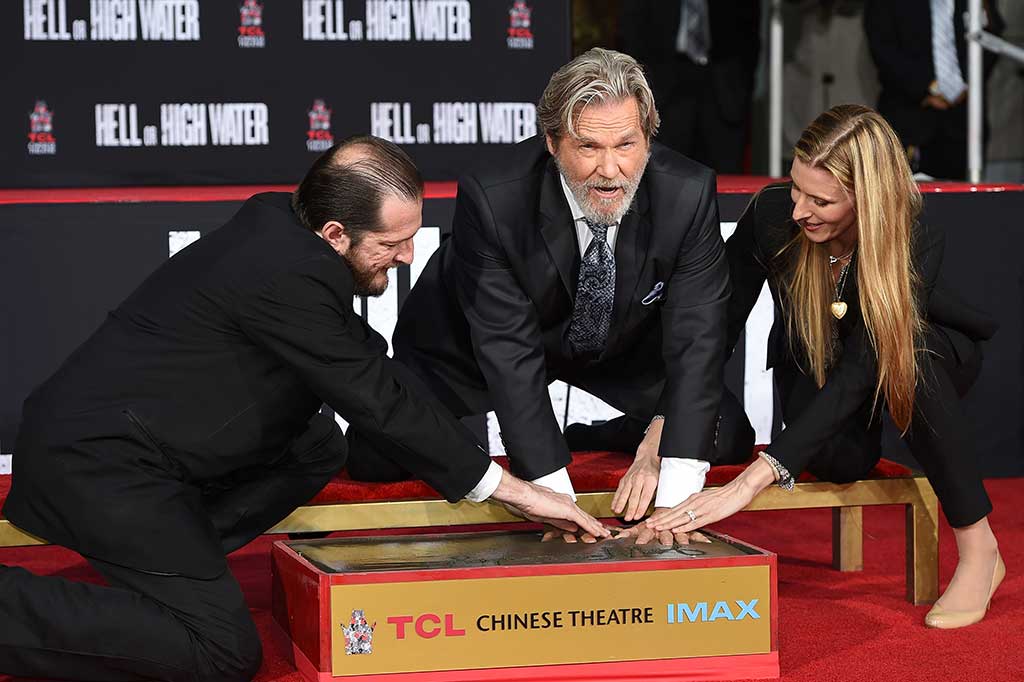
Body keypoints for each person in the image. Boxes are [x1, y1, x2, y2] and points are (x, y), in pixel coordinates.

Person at [0, 136, 608, 682]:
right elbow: (377, 398)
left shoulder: (286, 233)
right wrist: (517, 492)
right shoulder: (282, 272)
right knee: (221, 653)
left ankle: (177, 558)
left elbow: (372, 370)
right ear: (335, 234)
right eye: (392, 244)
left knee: (317, 443)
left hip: (143, 441)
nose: (403, 260)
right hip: (102, 466)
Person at [346, 48, 743, 544]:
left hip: (614, 349)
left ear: (648, 138)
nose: (610, 169)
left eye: (626, 145)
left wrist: (676, 502)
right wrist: (553, 496)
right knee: (381, 454)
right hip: (469, 347)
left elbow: (697, 338)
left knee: (722, 434)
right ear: (552, 142)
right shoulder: (494, 196)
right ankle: (488, 443)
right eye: (589, 147)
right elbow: (507, 350)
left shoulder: (688, 192)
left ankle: (615, 433)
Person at [640, 104, 1004, 629]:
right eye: (795, 189)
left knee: (912, 359)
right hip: (816, 354)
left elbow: (865, 366)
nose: (799, 211)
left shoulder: (911, 239)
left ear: (866, 199)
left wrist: (748, 483)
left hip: (920, 355)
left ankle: (979, 548)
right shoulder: (771, 217)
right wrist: (663, 422)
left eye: (821, 200)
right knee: (840, 462)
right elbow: (716, 326)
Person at [864, 0, 1005, 180]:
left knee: (963, 200)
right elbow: (883, 47)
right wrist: (926, 88)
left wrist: (965, 84)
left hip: (964, 121)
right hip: (909, 117)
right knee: (903, 198)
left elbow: (992, 35)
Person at [618, 0, 760, 174]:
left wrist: (744, 88)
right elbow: (632, 28)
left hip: (724, 89)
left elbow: (750, 29)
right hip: (664, 88)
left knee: (726, 178)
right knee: (665, 178)